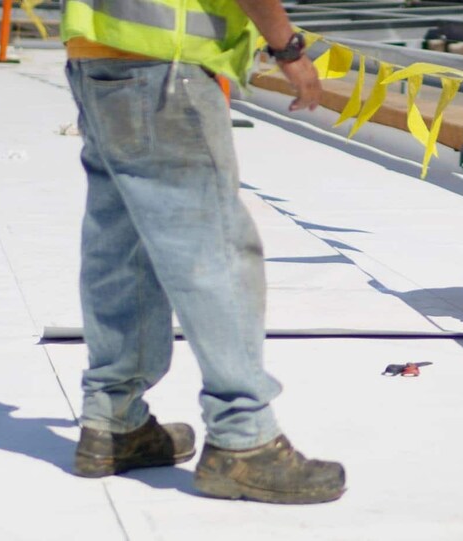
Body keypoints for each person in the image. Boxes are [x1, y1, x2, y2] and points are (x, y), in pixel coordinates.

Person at [62, 0, 345, 504]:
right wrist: (289, 49)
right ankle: (243, 438)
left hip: (95, 56)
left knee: (122, 243)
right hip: (166, 68)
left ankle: (113, 421)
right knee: (214, 249)